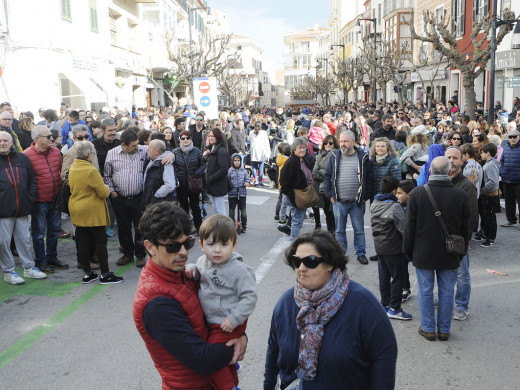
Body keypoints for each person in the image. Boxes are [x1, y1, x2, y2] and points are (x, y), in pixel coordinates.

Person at [133, 202, 247, 389]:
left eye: (188, 243)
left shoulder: (182, 274)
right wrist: (238, 343)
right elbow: (200, 359)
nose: (183, 252)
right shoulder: (156, 304)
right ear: (150, 247)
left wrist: (242, 335)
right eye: (172, 246)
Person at [264, 230, 398, 389]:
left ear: (330, 263)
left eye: (310, 261)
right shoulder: (286, 303)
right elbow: (273, 352)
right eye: (296, 261)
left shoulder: (363, 305)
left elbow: (384, 356)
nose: (301, 268)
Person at [185, 215, 257, 390]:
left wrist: (234, 319)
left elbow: (250, 297)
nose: (217, 250)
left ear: (234, 245)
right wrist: (192, 270)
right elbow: (199, 270)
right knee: (219, 354)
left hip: (228, 322)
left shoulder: (239, 270)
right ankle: (231, 368)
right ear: (201, 246)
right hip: (213, 321)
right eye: (211, 244)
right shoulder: (203, 261)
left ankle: (230, 387)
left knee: (211, 357)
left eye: (224, 244)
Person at [404, 156, 470, 341]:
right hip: (450, 252)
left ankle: (428, 328)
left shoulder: (417, 194)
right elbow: (466, 228)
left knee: (425, 290)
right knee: (447, 291)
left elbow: (409, 227)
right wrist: (462, 251)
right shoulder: (460, 195)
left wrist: (408, 251)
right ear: (450, 172)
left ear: (430, 171)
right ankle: (444, 330)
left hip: (423, 251)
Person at [68, 141, 123, 284]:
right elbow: (104, 193)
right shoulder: (91, 170)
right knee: (100, 241)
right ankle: (105, 274)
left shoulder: (73, 167)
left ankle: (88, 274)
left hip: (77, 208)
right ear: (90, 155)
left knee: (83, 241)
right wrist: (105, 186)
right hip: (92, 210)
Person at [0, 132, 47, 284]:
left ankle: (29, 268)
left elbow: (32, 180)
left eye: (5, 140)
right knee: (3, 242)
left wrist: (30, 198)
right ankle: (9, 271)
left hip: (22, 209)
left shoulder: (22, 158)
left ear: (12, 142)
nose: (2, 143)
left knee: (24, 240)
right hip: (3, 211)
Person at [323, 130, 372, 265]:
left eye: (346, 141)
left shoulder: (363, 157)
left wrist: (365, 196)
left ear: (353, 142)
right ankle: (341, 254)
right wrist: (329, 195)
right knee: (339, 230)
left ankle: (361, 253)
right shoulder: (334, 156)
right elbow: (327, 176)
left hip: (357, 202)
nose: (342, 144)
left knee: (359, 230)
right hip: (339, 201)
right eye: (341, 141)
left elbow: (369, 178)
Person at [24, 125, 68, 273]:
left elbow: (60, 172)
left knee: (54, 231)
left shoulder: (56, 152)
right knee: (38, 234)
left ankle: (52, 258)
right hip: (39, 202)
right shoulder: (27, 156)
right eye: (48, 136)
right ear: (37, 139)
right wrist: (32, 198)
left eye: (51, 136)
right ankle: (40, 261)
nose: (52, 138)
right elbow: (26, 181)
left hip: (55, 199)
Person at [104, 129, 149, 267]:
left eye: (137, 144)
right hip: (120, 198)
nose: (137, 147)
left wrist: (170, 155)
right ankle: (128, 254)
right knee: (123, 228)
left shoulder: (145, 150)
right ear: (124, 145)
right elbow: (107, 175)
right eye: (134, 145)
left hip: (139, 197)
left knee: (140, 227)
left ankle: (140, 255)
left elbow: (163, 151)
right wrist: (112, 192)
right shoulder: (112, 154)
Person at [370, 176, 412, 320]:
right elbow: (404, 229)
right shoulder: (395, 207)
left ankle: (385, 305)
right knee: (398, 278)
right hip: (394, 248)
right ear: (394, 191)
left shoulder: (375, 203)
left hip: (380, 246)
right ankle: (395, 308)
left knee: (384, 277)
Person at [445, 147, 478, 322]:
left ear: (461, 161)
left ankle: (461, 306)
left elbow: (472, 217)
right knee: (443, 271)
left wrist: (463, 239)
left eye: (455, 158)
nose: (451, 160)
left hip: (459, 238)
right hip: (440, 236)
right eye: (448, 157)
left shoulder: (467, 186)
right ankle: (444, 299)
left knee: (461, 273)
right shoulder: (438, 181)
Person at [279, 137, 316, 242]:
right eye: (300, 148)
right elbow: (284, 183)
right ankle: (293, 245)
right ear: (294, 149)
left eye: (304, 148)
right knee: (296, 221)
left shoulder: (302, 160)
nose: (302, 150)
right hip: (296, 197)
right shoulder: (291, 162)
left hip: (303, 195)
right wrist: (293, 196)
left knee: (299, 222)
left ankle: (294, 243)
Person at [173, 130, 205, 234]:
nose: (185, 140)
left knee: (195, 206)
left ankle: (199, 228)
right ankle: (185, 229)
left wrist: (197, 173)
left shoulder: (196, 151)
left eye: (187, 138)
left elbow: (202, 164)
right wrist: (176, 177)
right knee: (183, 207)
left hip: (194, 183)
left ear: (191, 139)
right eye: (183, 138)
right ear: (180, 140)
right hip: (181, 184)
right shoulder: (175, 152)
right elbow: (172, 167)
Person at [141, 138, 176, 215]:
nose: (147, 149)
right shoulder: (151, 160)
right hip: (150, 204)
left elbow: (170, 185)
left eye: (150, 147)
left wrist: (156, 195)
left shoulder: (166, 163)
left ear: (157, 151)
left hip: (159, 206)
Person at [312, 135, 338, 234]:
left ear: (334, 144)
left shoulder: (338, 155)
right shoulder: (319, 156)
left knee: (335, 214)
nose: (328, 145)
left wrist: (322, 171)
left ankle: (335, 234)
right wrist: (328, 177)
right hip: (323, 190)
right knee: (328, 212)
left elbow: (336, 173)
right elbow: (315, 172)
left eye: (331, 143)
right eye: (326, 143)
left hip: (335, 189)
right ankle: (330, 235)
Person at [396, 179, 416, 302]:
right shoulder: (398, 206)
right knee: (402, 266)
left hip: (416, 243)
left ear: (408, 194)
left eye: (399, 193)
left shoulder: (415, 206)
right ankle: (405, 288)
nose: (396, 196)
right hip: (403, 242)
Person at [478, 143, 501, 248]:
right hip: (486, 195)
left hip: (490, 195)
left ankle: (491, 238)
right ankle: (486, 234)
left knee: (490, 217)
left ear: (488, 153)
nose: (481, 155)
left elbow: (493, 182)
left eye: (482, 152)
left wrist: (481, 190)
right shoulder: (488, 164)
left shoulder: (490, 165)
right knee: (486, 216)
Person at [203, 128, 230, 216]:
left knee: (220, 210)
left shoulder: (221, 150)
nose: (210, 138)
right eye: (209, 136)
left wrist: (211, 178)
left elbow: (224, 169)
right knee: (216, 209)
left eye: (213, 136)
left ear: (218, 137)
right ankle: (220, 228)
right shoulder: (212, 149)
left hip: (218, 184)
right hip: (213, 184)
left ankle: (225, 229)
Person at [499, 129, 520, 227]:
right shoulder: (506, 147)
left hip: (518, 180)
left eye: (514, 137)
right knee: (509, 201)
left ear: (518, 137)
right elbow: (502, 161)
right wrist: (501, 172)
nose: (512, 139)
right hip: (507, 178)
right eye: (510, 137)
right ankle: (511, 220)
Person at [228, 154, 251, 233]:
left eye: (238, 161)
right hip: (232, 193)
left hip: (242, 193)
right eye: (235, 161)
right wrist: (229, 186)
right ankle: (231, 225)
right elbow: (227, 180)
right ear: (232, 161)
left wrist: (247, 182)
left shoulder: (243, 171)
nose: (237, 162)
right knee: (231, 211)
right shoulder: (230, 171)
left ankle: (244, 225)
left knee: (243, 211)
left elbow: (248, 179)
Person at [248, 121, 270, 187]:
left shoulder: (251, 132)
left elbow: (250, 140)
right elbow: (266, 143)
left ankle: (256, 180)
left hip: (253, 151)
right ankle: (260, 181)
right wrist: (268, 153)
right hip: (261, 152)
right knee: (261, 167)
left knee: (254, 167)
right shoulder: (264, 133)